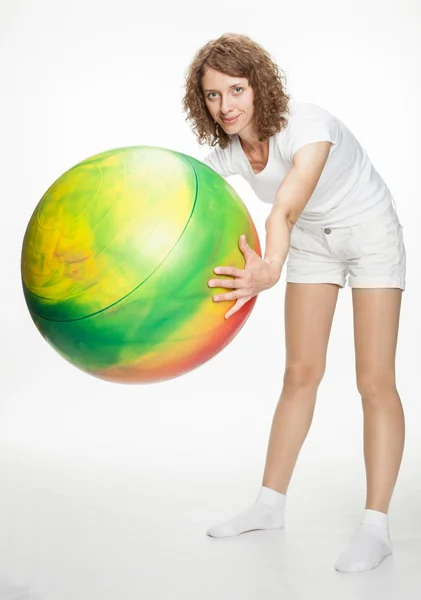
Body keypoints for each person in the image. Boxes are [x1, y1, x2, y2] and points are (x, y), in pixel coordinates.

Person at [182, 33, 406, 573]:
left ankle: (375, 528)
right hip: (311, 242)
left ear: (259, 85)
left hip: (368, 233)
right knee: (300, 373)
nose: (227, 106)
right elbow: (184, 190)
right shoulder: (231, 151)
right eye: (213, 96)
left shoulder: (306, 124)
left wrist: (270, 267)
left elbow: (283, 208)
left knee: (373, 380)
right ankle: (269, 505)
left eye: (236, 89)